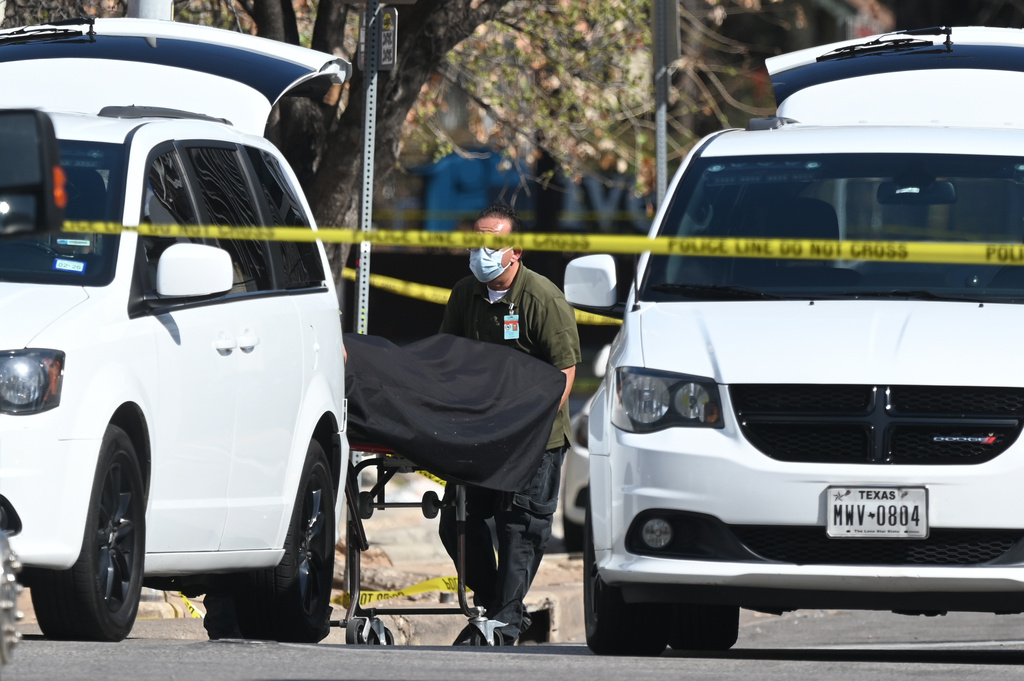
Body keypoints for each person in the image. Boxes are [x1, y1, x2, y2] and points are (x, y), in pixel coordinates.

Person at [437, 202, 581, 645]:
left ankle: (503, 620)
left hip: (533, 437)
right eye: (477, 240)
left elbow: (564, 374)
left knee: (520, 527)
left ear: (515, 250)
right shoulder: (466, 294)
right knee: (457, 521)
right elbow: (447, 358)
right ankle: (497, 607)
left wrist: (528, 431)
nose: (483, 249)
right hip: (481, 435)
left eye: (494, 242)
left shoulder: (543, 299)